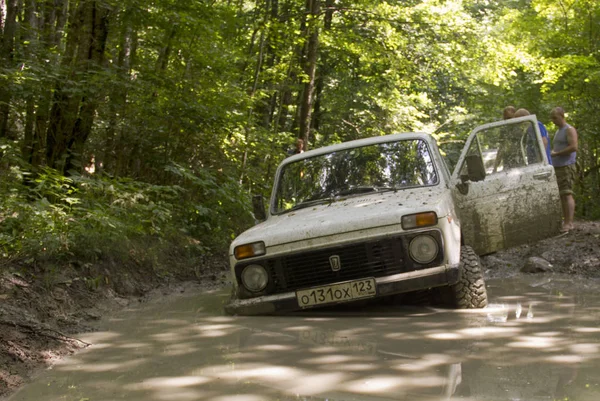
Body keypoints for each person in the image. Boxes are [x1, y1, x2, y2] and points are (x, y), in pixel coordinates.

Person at [550, 107, 578, 233]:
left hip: (566, 165)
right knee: (562, 194)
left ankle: (569, 223)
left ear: (562, 116)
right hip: (558, 166)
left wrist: (557, 154)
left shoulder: (569, 129)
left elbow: (573, 147)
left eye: (555, 117)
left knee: (567, 193)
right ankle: (565, 221)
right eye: (552, 118)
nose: (553, 120)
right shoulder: (558, 131)